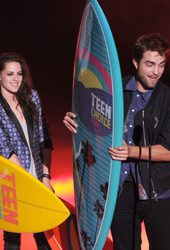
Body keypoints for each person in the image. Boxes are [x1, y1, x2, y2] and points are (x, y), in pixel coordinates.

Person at [63, 33, 170, 250]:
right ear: (135, 62)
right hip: (118, 190)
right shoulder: (112, 91)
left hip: (158, 193)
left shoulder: (167, 99)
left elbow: (169, 151)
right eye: (150, 64)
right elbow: (89, 121)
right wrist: (74, 122)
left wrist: (132, 151)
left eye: (161, 65)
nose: (156, 72)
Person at [0, 52, 53, 250]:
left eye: (19, 74)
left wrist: (45, 177)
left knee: (44, 238)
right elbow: (4, 148)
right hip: (12, 181)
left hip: (38, 177)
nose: (16, 79)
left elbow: (44, 139)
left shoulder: (32, 98)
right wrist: (28, 185)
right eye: (10, 74)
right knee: (12, 242)